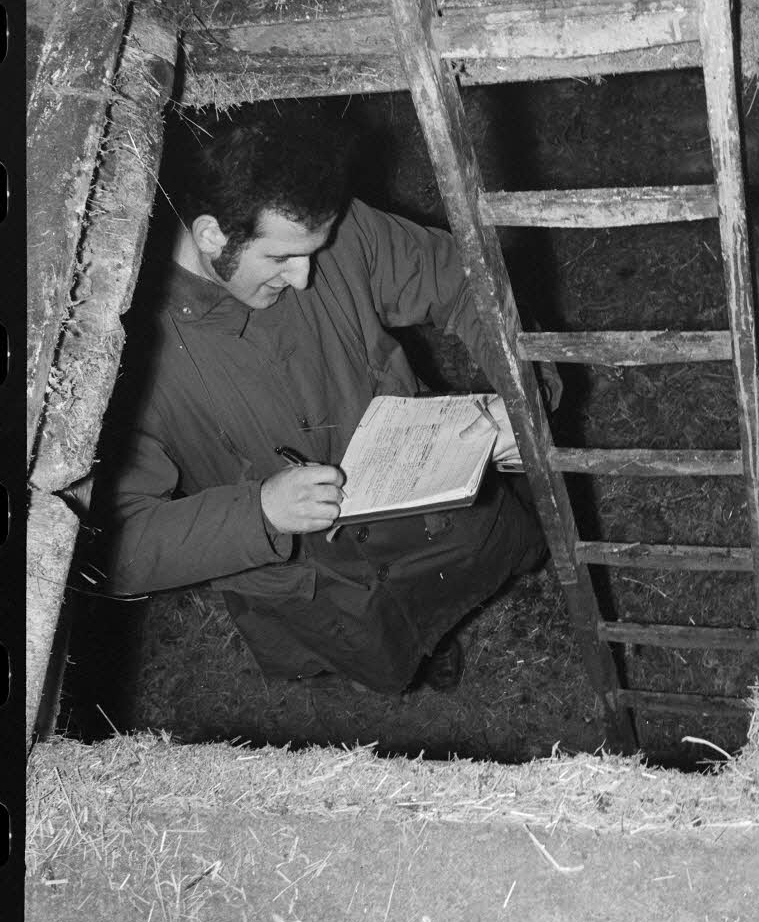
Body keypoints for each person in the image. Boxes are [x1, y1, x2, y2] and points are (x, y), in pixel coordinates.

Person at [97, 105, 554, 695]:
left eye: (318, 247)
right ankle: (416, 656)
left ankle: (438, 630)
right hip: (319, 577)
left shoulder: (319, 229)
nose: (306, 277)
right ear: (211, 234)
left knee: (492, 554)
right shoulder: (125, 351)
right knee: (384, 651)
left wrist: (524, 395)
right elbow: (112, 547)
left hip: (425, 504)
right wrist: (258, 513)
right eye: (282, 258)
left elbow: (462, 280)